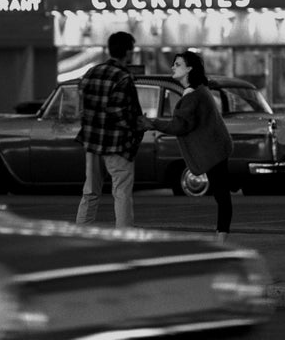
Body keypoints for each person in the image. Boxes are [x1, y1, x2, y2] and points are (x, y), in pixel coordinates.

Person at [142, 51, 234, 243]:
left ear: (189, 69)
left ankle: (221, 238)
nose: (173, 67)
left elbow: (179, 125)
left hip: (213, 151)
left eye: (178, 64)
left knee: (221, 195)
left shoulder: (193, 94)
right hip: (216, 148)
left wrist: (152, 122)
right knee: (222, 192)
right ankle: (221, 235)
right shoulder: (199, 90)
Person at [75, 32, 144, 228]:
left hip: (92, 142)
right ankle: (124, 237)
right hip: (116, 144)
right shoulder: (123, 77)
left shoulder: (90, 73)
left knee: (90, 192)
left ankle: (82, 232)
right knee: (121, 193)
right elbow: (119, 112)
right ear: (128, 52)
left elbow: (81, 108)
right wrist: (137, 125)